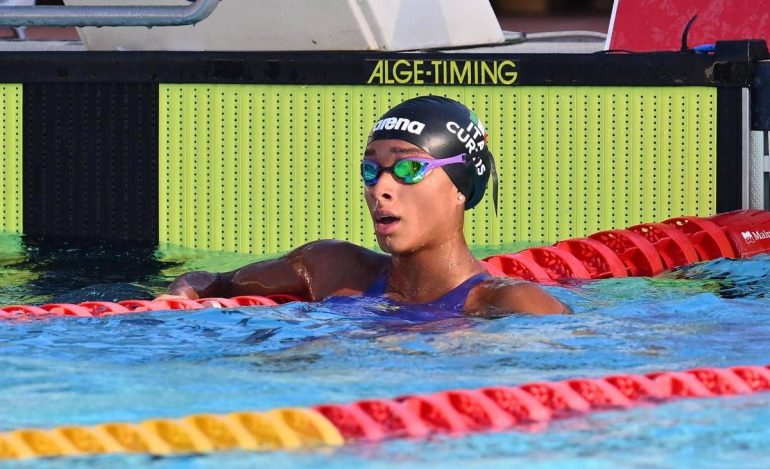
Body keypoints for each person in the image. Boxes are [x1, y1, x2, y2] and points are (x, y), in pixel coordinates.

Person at [165, 96, 569, 316]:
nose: (381, 188)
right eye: (371, 170)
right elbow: (211, 281)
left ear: (460, 187)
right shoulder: (330, 268)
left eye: (409, 168)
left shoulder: (511, 303)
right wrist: (180, 295)